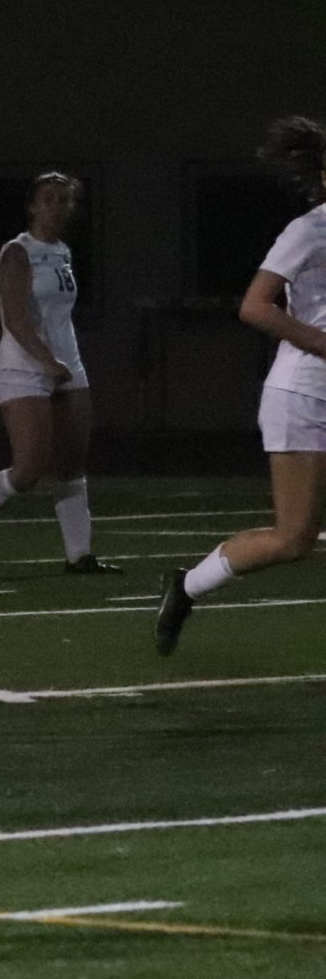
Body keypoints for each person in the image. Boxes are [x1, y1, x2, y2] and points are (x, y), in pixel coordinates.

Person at [156, 117, 326, 654]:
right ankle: (186, 587)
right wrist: (320, 342)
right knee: (294, 539)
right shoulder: (309, 230)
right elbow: (254, 306)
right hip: (304, 395)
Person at [0, 172, 116, 576]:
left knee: (73, 465)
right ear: (32, 206)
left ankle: (79, 556)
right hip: (24, 367)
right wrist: (46, 361)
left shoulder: (62, 251)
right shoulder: (16, 252)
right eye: (49, 199)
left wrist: (63, 363)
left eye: (64, 199)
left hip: (67, 363)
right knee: (29, 467)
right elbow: (16, 318)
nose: (57, 206)